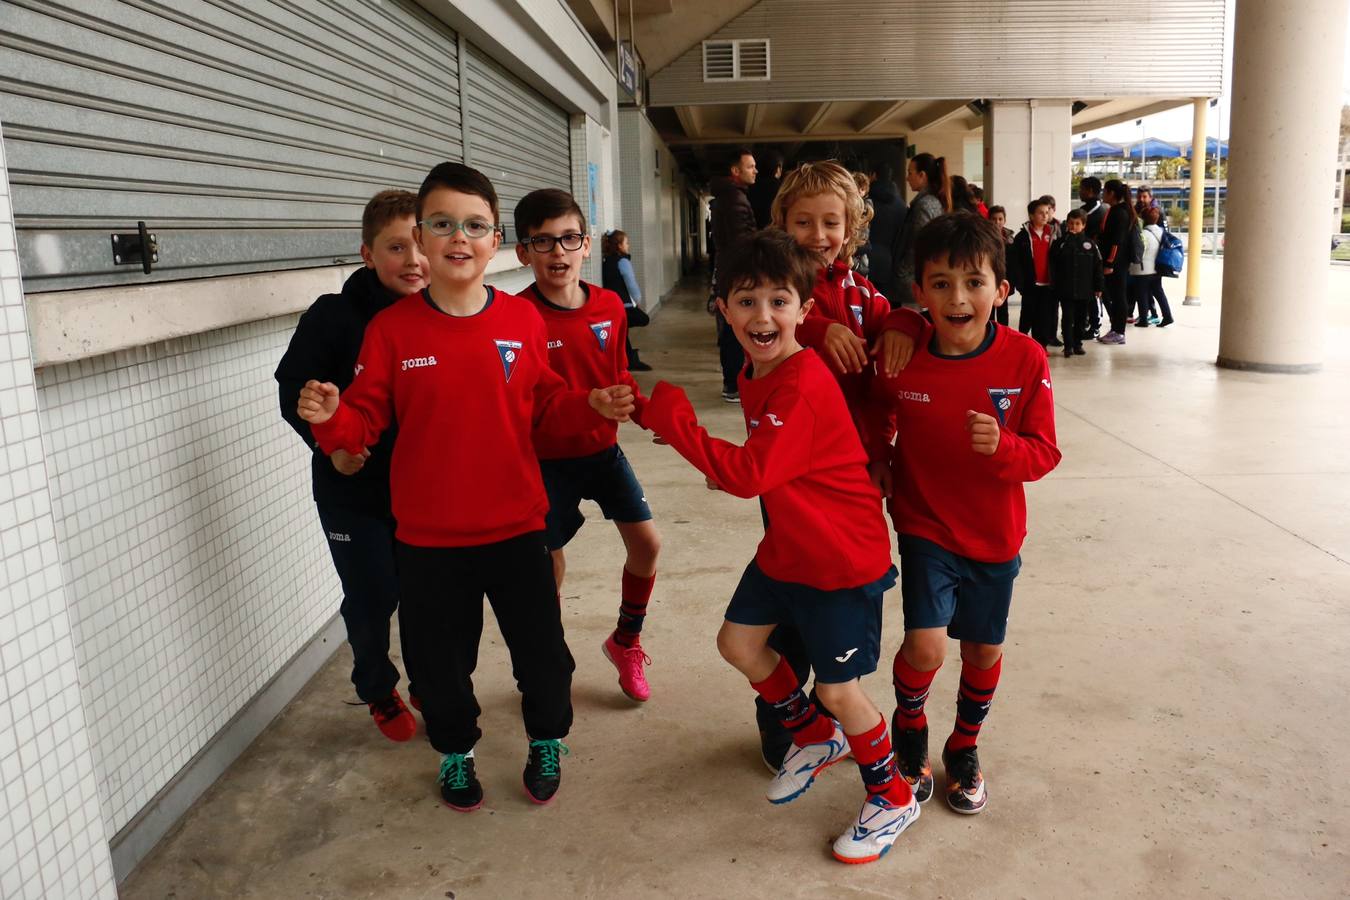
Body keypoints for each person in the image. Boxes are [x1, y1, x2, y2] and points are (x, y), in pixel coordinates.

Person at [296, 162, 635, 812]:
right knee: (439, 668)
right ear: (420, 238)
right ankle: (456, 753)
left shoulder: (521, 322)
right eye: (443, 223)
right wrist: (329, 418)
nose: (460, 237)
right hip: (427, 540)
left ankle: (545, 739)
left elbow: (545, 407)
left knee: (544, 660)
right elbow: (361, 423)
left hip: (516, 529)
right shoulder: (391, 332)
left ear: (496, 241)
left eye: (475, 225)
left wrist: (590, 403)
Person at [638, 229, 919, 865]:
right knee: (738, 643)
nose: (762, 317)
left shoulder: (799, 380)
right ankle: (812, 737)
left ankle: (892, 794)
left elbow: (748, 477)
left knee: (840, 691)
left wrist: (676, 419)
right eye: (745, 301)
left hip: (839, 558)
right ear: (722, 307)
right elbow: (767, 462)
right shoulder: (757, 367)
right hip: (790, 544)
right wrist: (706, 449)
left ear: (803, 308)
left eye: (778, 301)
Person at [867, 212, 1061, 816]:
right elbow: (876, 414)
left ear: (1001, 291)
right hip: (925, 525)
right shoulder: (902, 355)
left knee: (981, 651)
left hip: (996, 536)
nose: (958, 297)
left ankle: (964, 745)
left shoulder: (1026, 358)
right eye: (941, 283)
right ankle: (911, 729)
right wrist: (881, 457)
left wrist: (1004, 447)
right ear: (920, 291)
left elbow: (1046, 452)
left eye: (974, 282)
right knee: (925, 646)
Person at [276, 190, 428, 743]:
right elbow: (293, 389)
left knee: (423, 596)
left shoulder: (440, 314)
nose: (413, 260)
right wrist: (330, 447)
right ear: (367, 254)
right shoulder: (333, 317)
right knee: (372, 595)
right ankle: (377, 685)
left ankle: (427, 682)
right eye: (396, 247)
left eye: (420, 245)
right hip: (352, 491)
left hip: (423, 493)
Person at [512, 190, 663, 703]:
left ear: (586, 245)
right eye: (544, 242)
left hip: (602, 453)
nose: (558, 252)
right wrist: (588, 403)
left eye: (569, 239)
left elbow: (619, 376)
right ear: (522, 252)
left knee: (647, 545)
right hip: (543, 462)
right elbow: (521, 403)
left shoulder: (606, 307)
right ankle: (549, 655)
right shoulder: (514, 320)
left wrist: (648, 414)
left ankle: (626, 641)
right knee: (548, 566)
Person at [710, 147, 759, 402]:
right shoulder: (734, 199)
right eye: (750, 166)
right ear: (735, 171)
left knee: (730, 326)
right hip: (737, 273)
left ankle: (731, 381)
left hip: (730, 270)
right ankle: (732, 385)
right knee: (734, 328)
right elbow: (742, 242)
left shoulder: (729, 196)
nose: (755, 171)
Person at [892, 153, 950, 304]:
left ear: (922, 175)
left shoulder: (924, 205)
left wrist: (902, 272)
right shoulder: (933, 201)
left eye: (910, 173)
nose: (907, 178)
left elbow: (918, 246)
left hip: (914, 281)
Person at [1049, 208, 1103, 356]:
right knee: (1067, 318)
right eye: (1071, 223)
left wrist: (1098, 286)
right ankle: (1068, 346)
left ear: (1083, 225)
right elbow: (1052, 265)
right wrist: (1054, 285)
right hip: (1066, 289)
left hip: (1085, 290)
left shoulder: (1090, 245)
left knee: (1081, 319)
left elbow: (1097, 267)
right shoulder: (1060, 244)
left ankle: (1078, 343)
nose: (1074, 227)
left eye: (1077, 224)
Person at [1008, 197, 1059, 347]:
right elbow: (1016, 263)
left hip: (1048, 284)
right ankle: (1022, 343)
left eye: (1046, 212)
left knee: (1043, 317)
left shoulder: (1054, 234)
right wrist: (1020, 282)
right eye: (1040, 213)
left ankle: (1041, 346)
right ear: (1031, 215)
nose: (1045, 216)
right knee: (1027, 315)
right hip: (1030, 284)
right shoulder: (1022, 237)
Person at [601, 230, 653, 371]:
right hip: (625, 304)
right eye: (626, 242)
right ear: (619, 245)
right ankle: (630, 360)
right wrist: (637, 299)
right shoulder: (623, 261)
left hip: (612, 304)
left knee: (621, 332)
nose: (628, 245)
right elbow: (631, 282)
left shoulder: (606, 261)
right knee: (644, 319)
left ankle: (630, 359)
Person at [1097, 180, 1137, 345]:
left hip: (1117, 263)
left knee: (1118, 296)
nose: (1103, 194)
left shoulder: (1120, 213)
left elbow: (1116, 241)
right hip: (1116, 262)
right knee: (1113, 295)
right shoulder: (1117, 210)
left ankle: (1119, 331)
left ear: (1111, 193)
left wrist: (1109, 263)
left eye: (1104, 191)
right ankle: (1116, 329)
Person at [865, 164, 907, 301]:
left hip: (865, 260)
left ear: (873, 176)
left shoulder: (866, 202)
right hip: (890, 262)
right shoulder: (901, 205)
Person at [1129, 206, 1174, 328]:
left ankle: (1143, 319)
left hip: (1143, 270)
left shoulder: (1143, 234)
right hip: (1157, 269)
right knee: (1159, 293)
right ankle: (1168, 316)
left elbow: (1139, 252)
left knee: (1142, 294)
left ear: (1143, 219)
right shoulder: (1162, 232)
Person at [1079, 177, 1108, 340]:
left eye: (1082, 189)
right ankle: (1085, 322)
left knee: (1094, 294)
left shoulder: (1098, 210)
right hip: (1083, 260)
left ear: (1090, 191)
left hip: (1094, 260)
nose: (1080, 192)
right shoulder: (1086, 209)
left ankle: (1095, 326)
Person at [987, 205, 1013, 326]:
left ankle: (1004, 332)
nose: (997, 222)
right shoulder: (984, 238)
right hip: (989, 278)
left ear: (1005, 220)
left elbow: (1014, 262)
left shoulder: (1010, 239)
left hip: (1005, 279)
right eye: (994, 219)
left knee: (1003, 308)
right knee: (989, 308)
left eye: (1000, 219)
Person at [747, 148, 784, 229]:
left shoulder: (749, 188)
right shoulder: (783, 188)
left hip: (753, 235)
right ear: (778, 169)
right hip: (775, 235)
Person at [851, 169, 875, 277]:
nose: (859, 192)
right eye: (857, 188)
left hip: (861, 245)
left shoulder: (866, 205)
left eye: (862, 189)